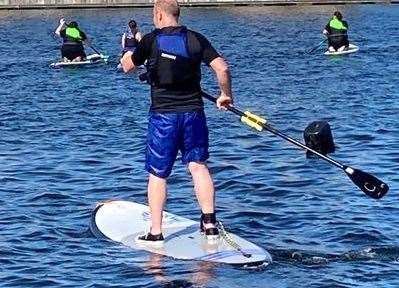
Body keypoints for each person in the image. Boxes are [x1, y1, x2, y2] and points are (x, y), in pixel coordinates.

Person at [120, 0, 233, 245]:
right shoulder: (195, 39)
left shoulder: (150, 41)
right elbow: (222, 68)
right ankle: (210, 224)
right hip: (194, 113)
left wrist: (129, 49)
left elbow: (127, 66)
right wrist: (225, 95)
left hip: (164, 117)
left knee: (158, 174)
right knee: (198, 166)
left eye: (153, 15)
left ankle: (156, 232)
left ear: (159, 15)